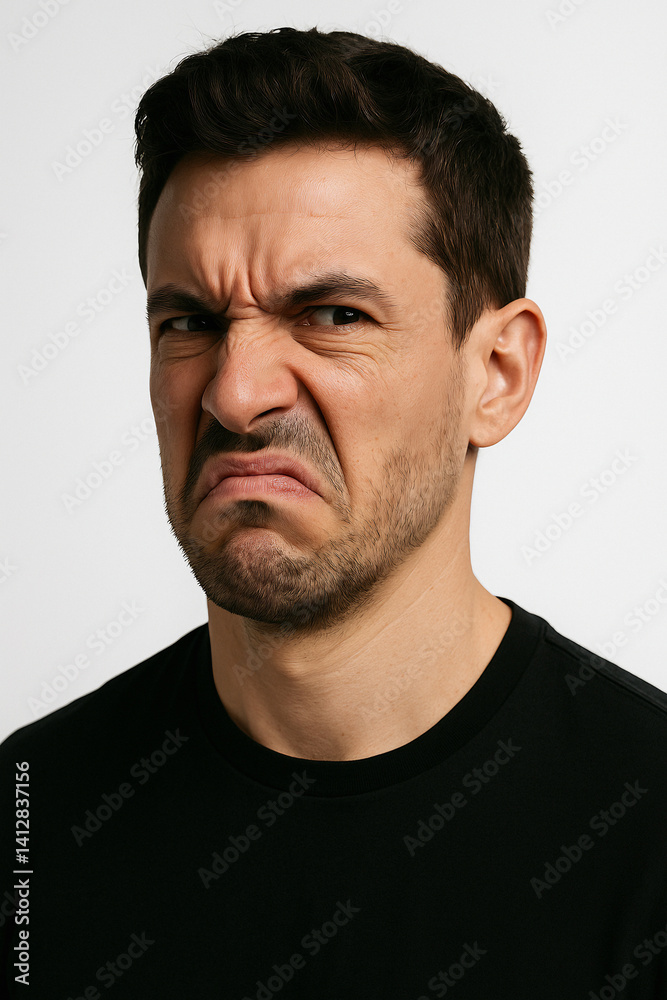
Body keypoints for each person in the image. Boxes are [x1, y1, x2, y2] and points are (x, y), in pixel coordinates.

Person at [1, 25, 666, 999]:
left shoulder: (645, 832)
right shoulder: (28, 818)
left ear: (496, 373)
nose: (235, 395)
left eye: (332, 316)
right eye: (189, 322)